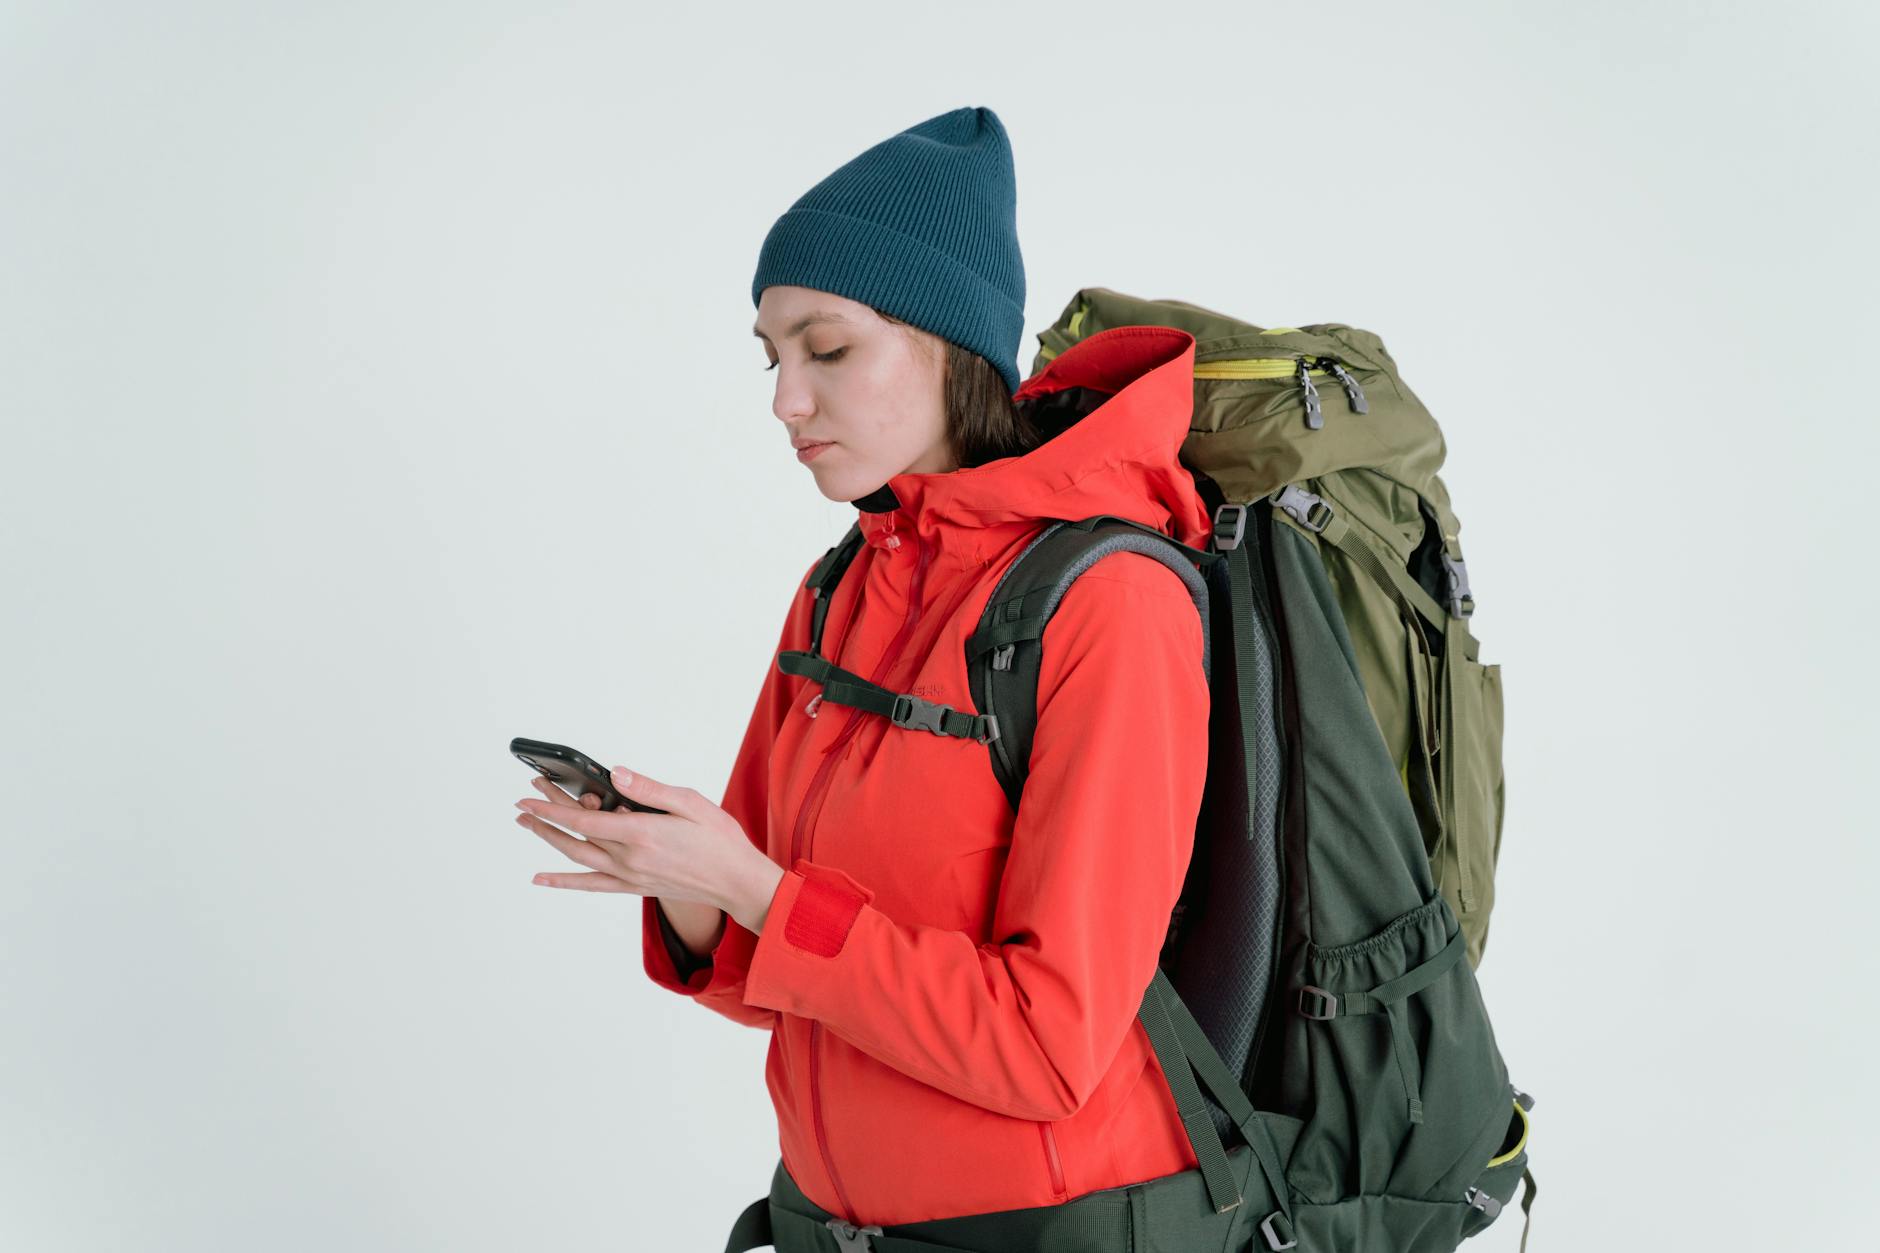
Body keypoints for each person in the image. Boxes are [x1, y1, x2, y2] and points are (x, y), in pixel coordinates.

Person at [513, 105, 1218, 1236]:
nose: (786, 401)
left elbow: (1047, 1046)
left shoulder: (1106, 605)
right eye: (772, 358)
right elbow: (782, 970)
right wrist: (687, 878)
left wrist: (751, 887)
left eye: (826, 349)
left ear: (951, 344)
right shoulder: (840, 587)